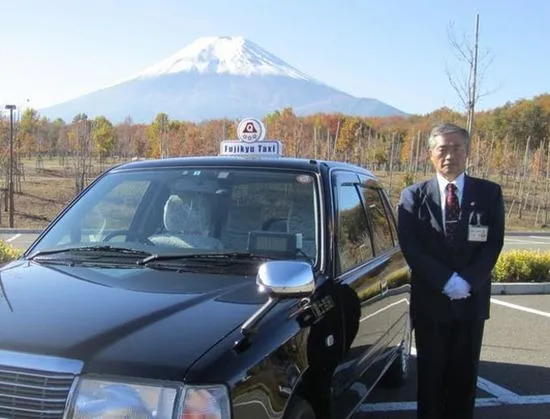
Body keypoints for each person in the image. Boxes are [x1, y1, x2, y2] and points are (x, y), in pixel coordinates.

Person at [397, 123, 505, 419]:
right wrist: (445, 281)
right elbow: (411, 247)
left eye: (456, 148)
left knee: (464, 380)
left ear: (467, 152)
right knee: (430, 381)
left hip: (471, 304)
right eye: (442, 149)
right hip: (431, 304)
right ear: (430, 154)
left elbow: (493, 244)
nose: (449, 156)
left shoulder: (489, 193)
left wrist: (468, 281)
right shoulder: (413, 196)